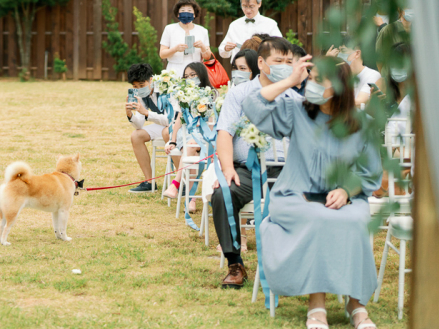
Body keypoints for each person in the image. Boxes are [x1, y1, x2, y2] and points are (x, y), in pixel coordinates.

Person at [243, 53, 382, 329]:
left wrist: (345, 190)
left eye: (319, 80)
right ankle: (316, 304)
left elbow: (371, 172)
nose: (310, 85)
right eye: (310, 79)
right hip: (296, 194)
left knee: (354, 220)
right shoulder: (296, 110)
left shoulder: (361, 124)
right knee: (319, 219)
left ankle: (356, 304)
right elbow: (252, 104)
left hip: (346, 197)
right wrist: (290, 81)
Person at [210, 39, 288, 290]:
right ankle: (235, 264)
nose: (284, 67)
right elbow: (224, 134)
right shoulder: (240, 94)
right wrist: (228, 169)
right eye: (279, 61)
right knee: (223, 194)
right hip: (247, 168)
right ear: (262, 63)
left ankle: (290, 265)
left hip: (288, 170)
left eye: (289, 62)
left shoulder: (294, 95)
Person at [163, 62, 213, 210]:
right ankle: (190, 199)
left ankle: (176, 185)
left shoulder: (211, 94)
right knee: (190, 147)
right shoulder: (183, 95)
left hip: (204, 132)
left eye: (193, 75)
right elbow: (179, 118)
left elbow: (211, 121)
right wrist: (172, 140)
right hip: (187, 132)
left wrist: (210, 137)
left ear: (201, 75)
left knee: (192, 145)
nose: (190, 78)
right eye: (186, 76)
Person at [123, 63, 170, 193]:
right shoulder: (142, 95)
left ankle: (179, 183)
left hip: (175, 126)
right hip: (161, 125)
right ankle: (149, 182)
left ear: (151, 80)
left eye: (142, 86)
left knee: (167, 131)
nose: (139, 89)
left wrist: (147, 113)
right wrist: (130, 114)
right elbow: (139, 125)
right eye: (135, 87)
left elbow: (170, 120)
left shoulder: (166, 88)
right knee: (136, 135)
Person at [218, 0, 282, 59]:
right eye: (244, 6)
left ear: (259, 4)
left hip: (261, 66)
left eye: (251, 6)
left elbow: (280, 47)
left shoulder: (270, 24)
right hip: (239, 67)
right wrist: (226, 48)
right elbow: (222, 52)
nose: (248, 10)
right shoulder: (234, 25)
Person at [159, 0, 212, 75]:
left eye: (189, 10)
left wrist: (202, 47)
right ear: (178, 14)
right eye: (183, 10)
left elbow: (208, 56)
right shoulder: (169, 29)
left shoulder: (202, 31)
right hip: (175, 70)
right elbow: (162, 54)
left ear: (194, 14)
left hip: (196, 70)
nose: (186, 13)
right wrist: (175, 49)